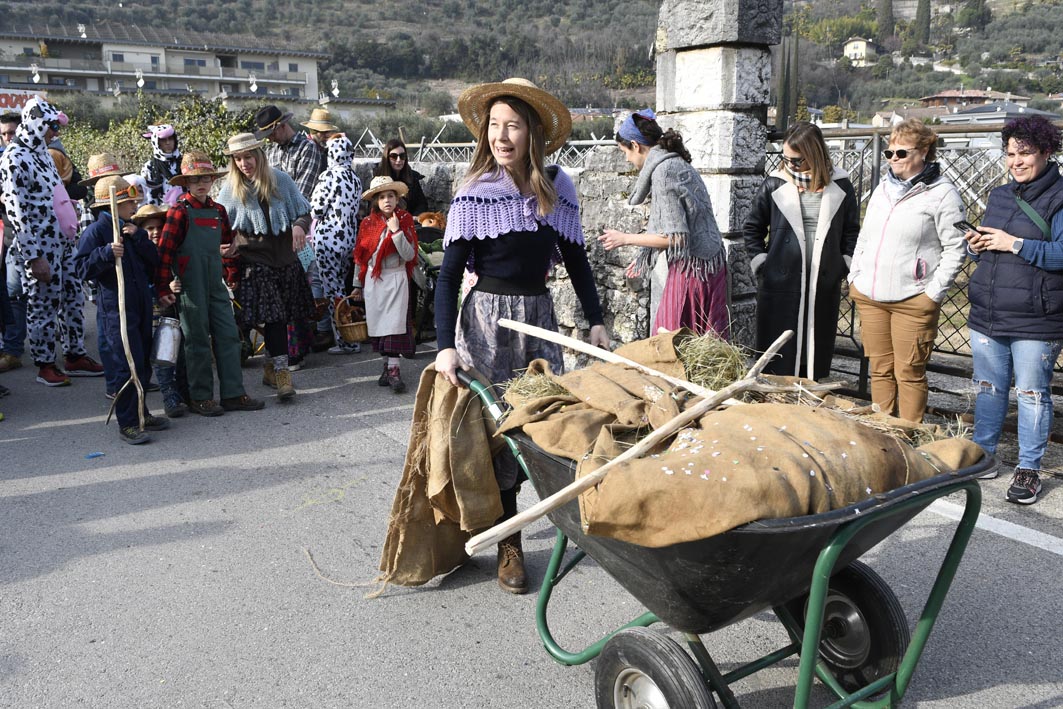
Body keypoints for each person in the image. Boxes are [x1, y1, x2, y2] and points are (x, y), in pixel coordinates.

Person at [434, 78, 610, 594]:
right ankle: (509, 544)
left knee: (542, 427)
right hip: (485, 325)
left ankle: (559, 517)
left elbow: (578, 262)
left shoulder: (557, 190)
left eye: (512, 125)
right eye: (494, 125)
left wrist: (595, 320)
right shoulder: (473, 193)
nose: (501, 136)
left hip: (537, 323)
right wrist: (445, 344)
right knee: (496, 435)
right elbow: (447, 278)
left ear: (533, 131)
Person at [962, 115, 1063, 505]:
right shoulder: (1000, 195)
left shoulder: (1059, 196)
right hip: (989, 310)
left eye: (1025, 153)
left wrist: (1014, 243)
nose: (1016, 162)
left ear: (1047, 152)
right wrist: (978, 244)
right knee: (988, 389)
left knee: (1033, 393)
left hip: (1037, 318)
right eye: (1009, 154)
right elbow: (994, 243)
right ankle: (982, 456)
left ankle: (1028, 469)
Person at [848, 118, 966, 422]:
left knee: (909, 371)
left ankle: (908, 435)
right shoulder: (881, 190)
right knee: (879, 368)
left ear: (924, 151)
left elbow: (956, 247)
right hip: (871, 295)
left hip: (913, 298)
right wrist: (856, 277)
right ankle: (882, 431)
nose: (893, 160)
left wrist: (933, 292)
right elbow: (865, 235)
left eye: (902, 153)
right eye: (889, 153)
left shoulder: (942, 195)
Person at [742, 121, 861, 379]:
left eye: (796, 160)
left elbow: (852, 230)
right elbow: (752, 228)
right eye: (786, 159)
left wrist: (844, 263)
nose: (790, 166)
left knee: (815, 341)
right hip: (781, 278)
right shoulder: (775, 183)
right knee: (779, 343)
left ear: (814, 154)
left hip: (823, 277)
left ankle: (809, 392)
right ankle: (776, 394)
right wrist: (763, 263)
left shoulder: (840, 184)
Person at [598, 109, 729, 338]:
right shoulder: (675, 162)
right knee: (707, 346)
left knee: (672, 341)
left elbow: (676, 237)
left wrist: (625, 239)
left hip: (694, 273)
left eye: (624, 152)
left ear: (635, 146)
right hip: (712, 265)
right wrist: (643, 255)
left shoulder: (664, 172)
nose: (627, 159)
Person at [0, 96, 103, 387]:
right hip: (39, 247)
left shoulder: (43, 152)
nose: (54, 133)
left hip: (63, 241)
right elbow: (16, 210)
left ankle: (75, 355)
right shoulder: (13, 158)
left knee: (73, 297)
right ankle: (45, 364)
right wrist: (33, 256)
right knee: (42, 303)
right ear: (34, 123)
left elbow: (55, 191)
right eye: (50, 127)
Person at [155, 149, 264, 416]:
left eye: (206, 178)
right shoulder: (178, 212)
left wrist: (232, 275)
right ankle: (200, 397)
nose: (202, 183)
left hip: (216, 284)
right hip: (190, 287)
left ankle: (233, 394)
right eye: (195, 179)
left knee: (229, 336)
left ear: (212, 181)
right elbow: (163, 253)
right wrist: (163, 287)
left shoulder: (219, 211)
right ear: (186, 184)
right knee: (197, 340)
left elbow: (226, 248)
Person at [216, 132, 316, 402]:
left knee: (283, 317)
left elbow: (303, 211)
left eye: (248, 156)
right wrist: (227, 244)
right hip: (255, 262)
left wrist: (298, 225)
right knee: (273, 317)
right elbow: (221, 226)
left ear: (259, 155)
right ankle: (284, 375)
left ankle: (271, 367)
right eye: (238, 158)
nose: (244, 163)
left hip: (286, 260)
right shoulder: (230, 190)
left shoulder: (281, 180)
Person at [73, 176, 170, 445]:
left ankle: (142, 412)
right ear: (113, 204)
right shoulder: (95, 233)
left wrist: (139, 238)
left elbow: (154, 260)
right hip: (116, 309)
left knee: (140, 361)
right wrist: (105, 253)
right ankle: (127, 423)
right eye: (129, 201)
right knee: (125, 365)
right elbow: (81, 269)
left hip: (139, 304)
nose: (135, 204)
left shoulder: (131, 229)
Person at [254, 105, 326, 365]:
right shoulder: (272, 151)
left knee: (301, 286)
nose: (270, 139)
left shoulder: (308, 150)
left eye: (272, 134)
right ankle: (282, 350)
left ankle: (299, 348)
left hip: (300, 231)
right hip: (275, 233)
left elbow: (300, 197)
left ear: (281, 126)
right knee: (280, 292)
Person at [354, 177, 418, 392]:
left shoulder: (405, 220)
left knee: (394, 326)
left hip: (396, 278)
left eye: (390, 195)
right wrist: (357, 284)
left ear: (397, 198)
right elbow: (361, 257)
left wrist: (396, 232)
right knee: (380, 327)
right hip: (375, 281)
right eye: (382, 197)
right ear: (376, 201)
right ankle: (386, 367)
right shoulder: (368, 224)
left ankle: (394, 371)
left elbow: (409, 255)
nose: (387, 200)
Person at [133, 203, 188, 418]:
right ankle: (169, 395)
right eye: (149, 229)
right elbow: (141, 282)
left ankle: (183, 391)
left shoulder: (171, 250)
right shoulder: (138, 253)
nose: (155, 232)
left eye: (159, 227)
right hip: (152, 312)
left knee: (180, 352)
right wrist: (162, 289)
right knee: (163, 354)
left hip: (175, 310)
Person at [309, 134, 362, 355]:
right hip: (349, 240)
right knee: (342, 288)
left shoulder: (328, 176)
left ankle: (346, 341)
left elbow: (316, 209)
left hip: (328, 241)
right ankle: (350, 335)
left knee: (333, 292)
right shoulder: (355, 179)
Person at [373, 138, 428, 216]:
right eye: (393, 156)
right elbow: (374, 206)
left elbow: (422, 203)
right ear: (387, 158)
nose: (398, 160)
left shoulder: (412, 177)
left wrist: (413, 218)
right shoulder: (378, 177)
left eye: (402, 156)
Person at [140, 124, 183, 206]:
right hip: (160, 212)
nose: (168, 143)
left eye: (170, 139)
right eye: (163, 140)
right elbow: (148, 195)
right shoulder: (149, 167)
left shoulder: (185, 162)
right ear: (156, 142)